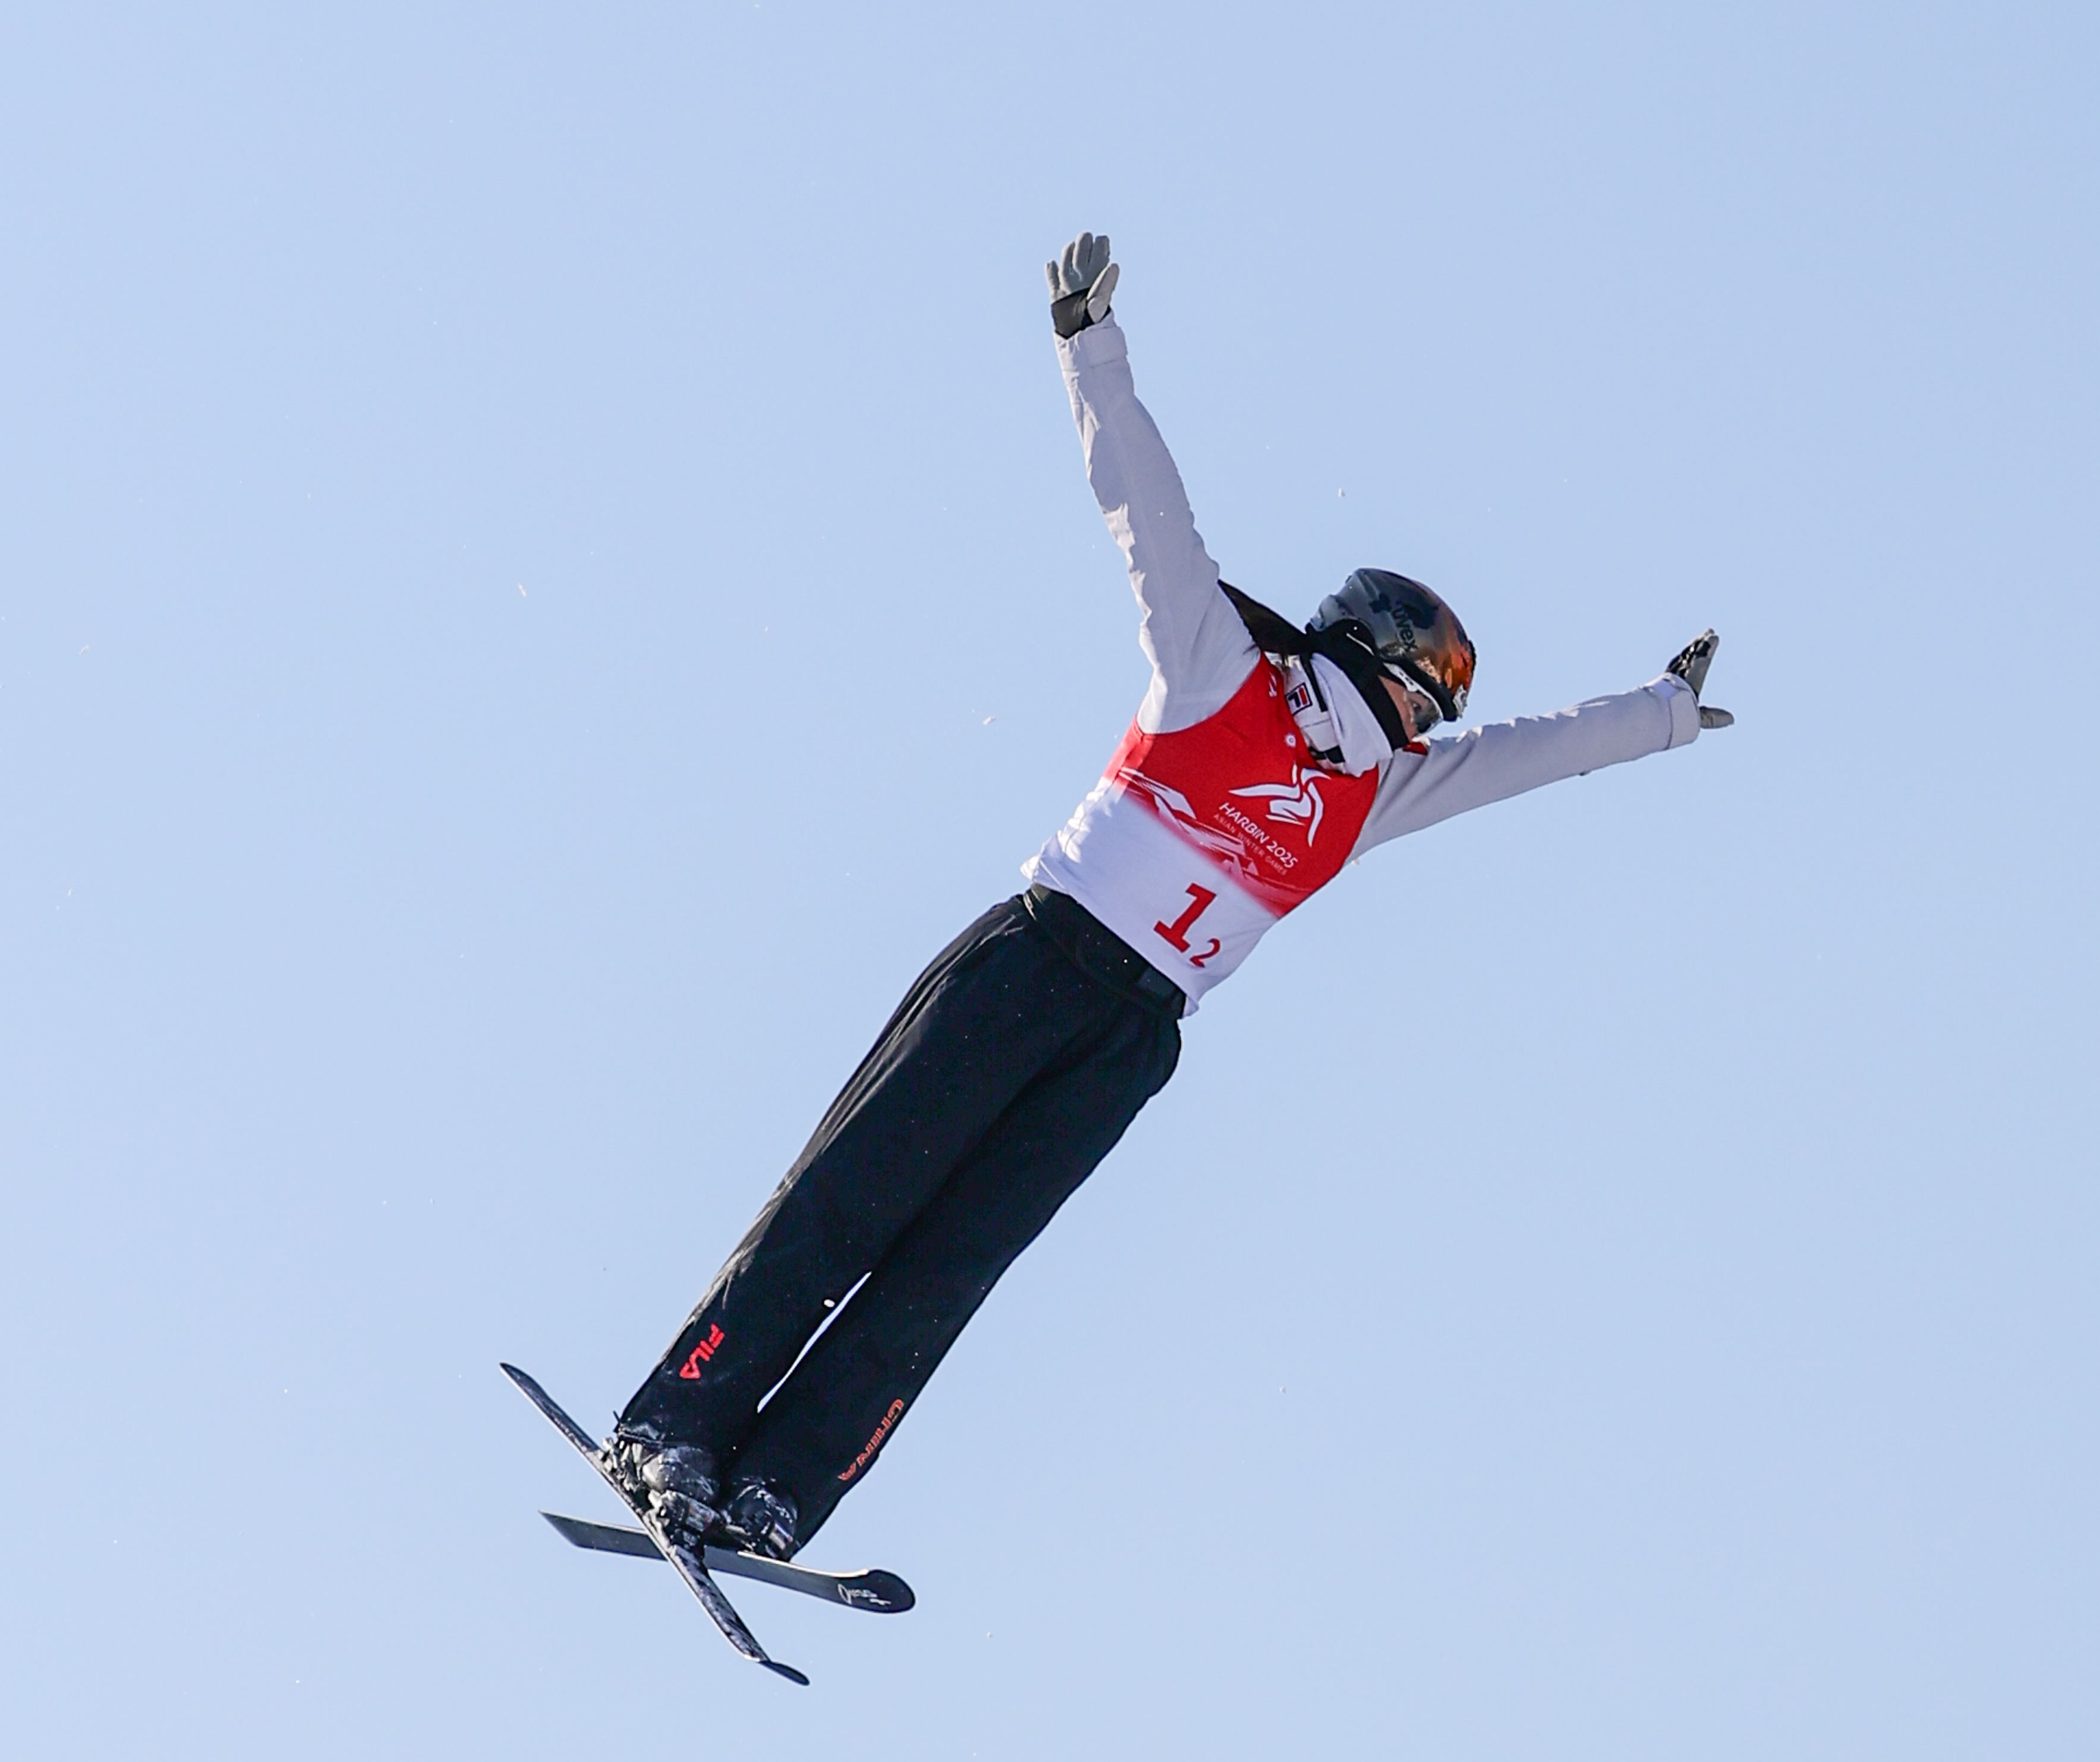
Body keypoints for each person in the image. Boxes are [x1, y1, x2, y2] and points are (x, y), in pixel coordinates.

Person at [598, 230, 1731, 1562]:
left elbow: (1528, 753)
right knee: (859, 1192)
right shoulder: (1222, 672)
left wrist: (1660, 715)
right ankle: (679, 1421)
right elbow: (1150, 513)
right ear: (1374, 645)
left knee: (953, 1264)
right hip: (1036, 962)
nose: (1437, 708)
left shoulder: (1376, 792)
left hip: (1130, 1041)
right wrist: (1090, 347)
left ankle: (781, 1486)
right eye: (1434, 676)